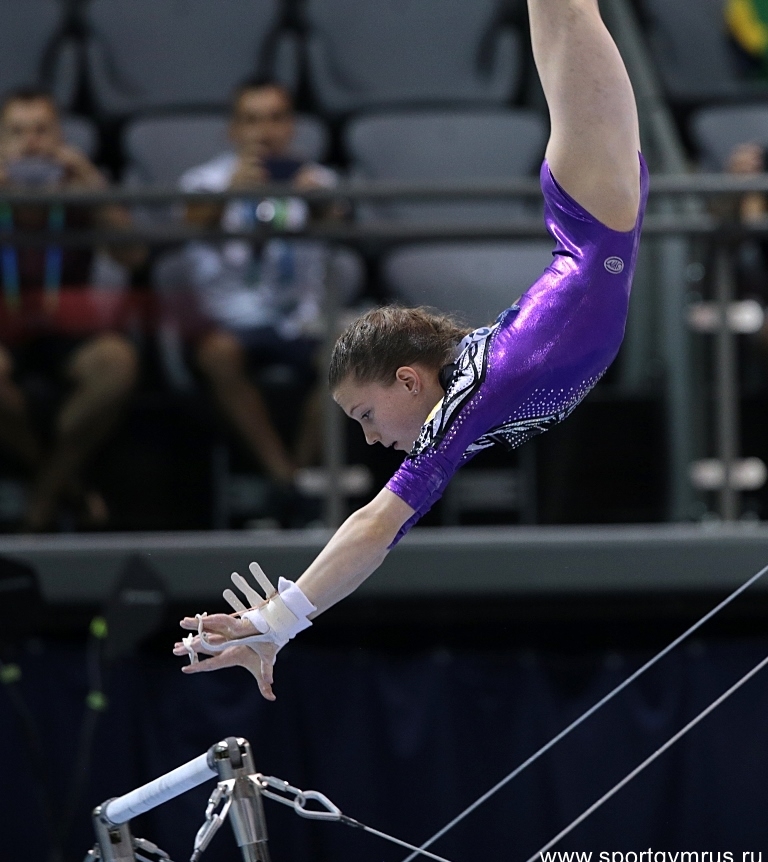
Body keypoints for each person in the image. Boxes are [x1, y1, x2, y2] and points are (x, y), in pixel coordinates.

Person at [174, 0, 648, 699]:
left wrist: (278, 620)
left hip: (594, 211)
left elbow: (377, 525)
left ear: (407, 380)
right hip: (598, 210)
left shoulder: (467, 399)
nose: (369, 438)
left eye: (365, 415)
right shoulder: (471, 383)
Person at [172, 79, 335, 493]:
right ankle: (283, 477)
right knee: (217, 355)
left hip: (301, 321)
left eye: (276, 118)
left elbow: (339, 221)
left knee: (351, 357)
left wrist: (317, 205)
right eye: (252, 120)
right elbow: (189, 223)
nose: (264, 131)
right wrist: (229, 195)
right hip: (230, 321)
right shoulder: (205, 181)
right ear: (233, 129)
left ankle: (295, 480)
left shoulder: (316, 181)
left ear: (292, 126)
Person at [0, 88, 144, 531]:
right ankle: (67, 489)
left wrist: (93, 189)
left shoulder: (79, 193)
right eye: (18, 132)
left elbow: (133, 256)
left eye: (42, 130)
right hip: (4, 329)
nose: (31, 143)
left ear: (61, 138)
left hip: (66, 326)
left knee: (117, 362)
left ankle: (45, 492)